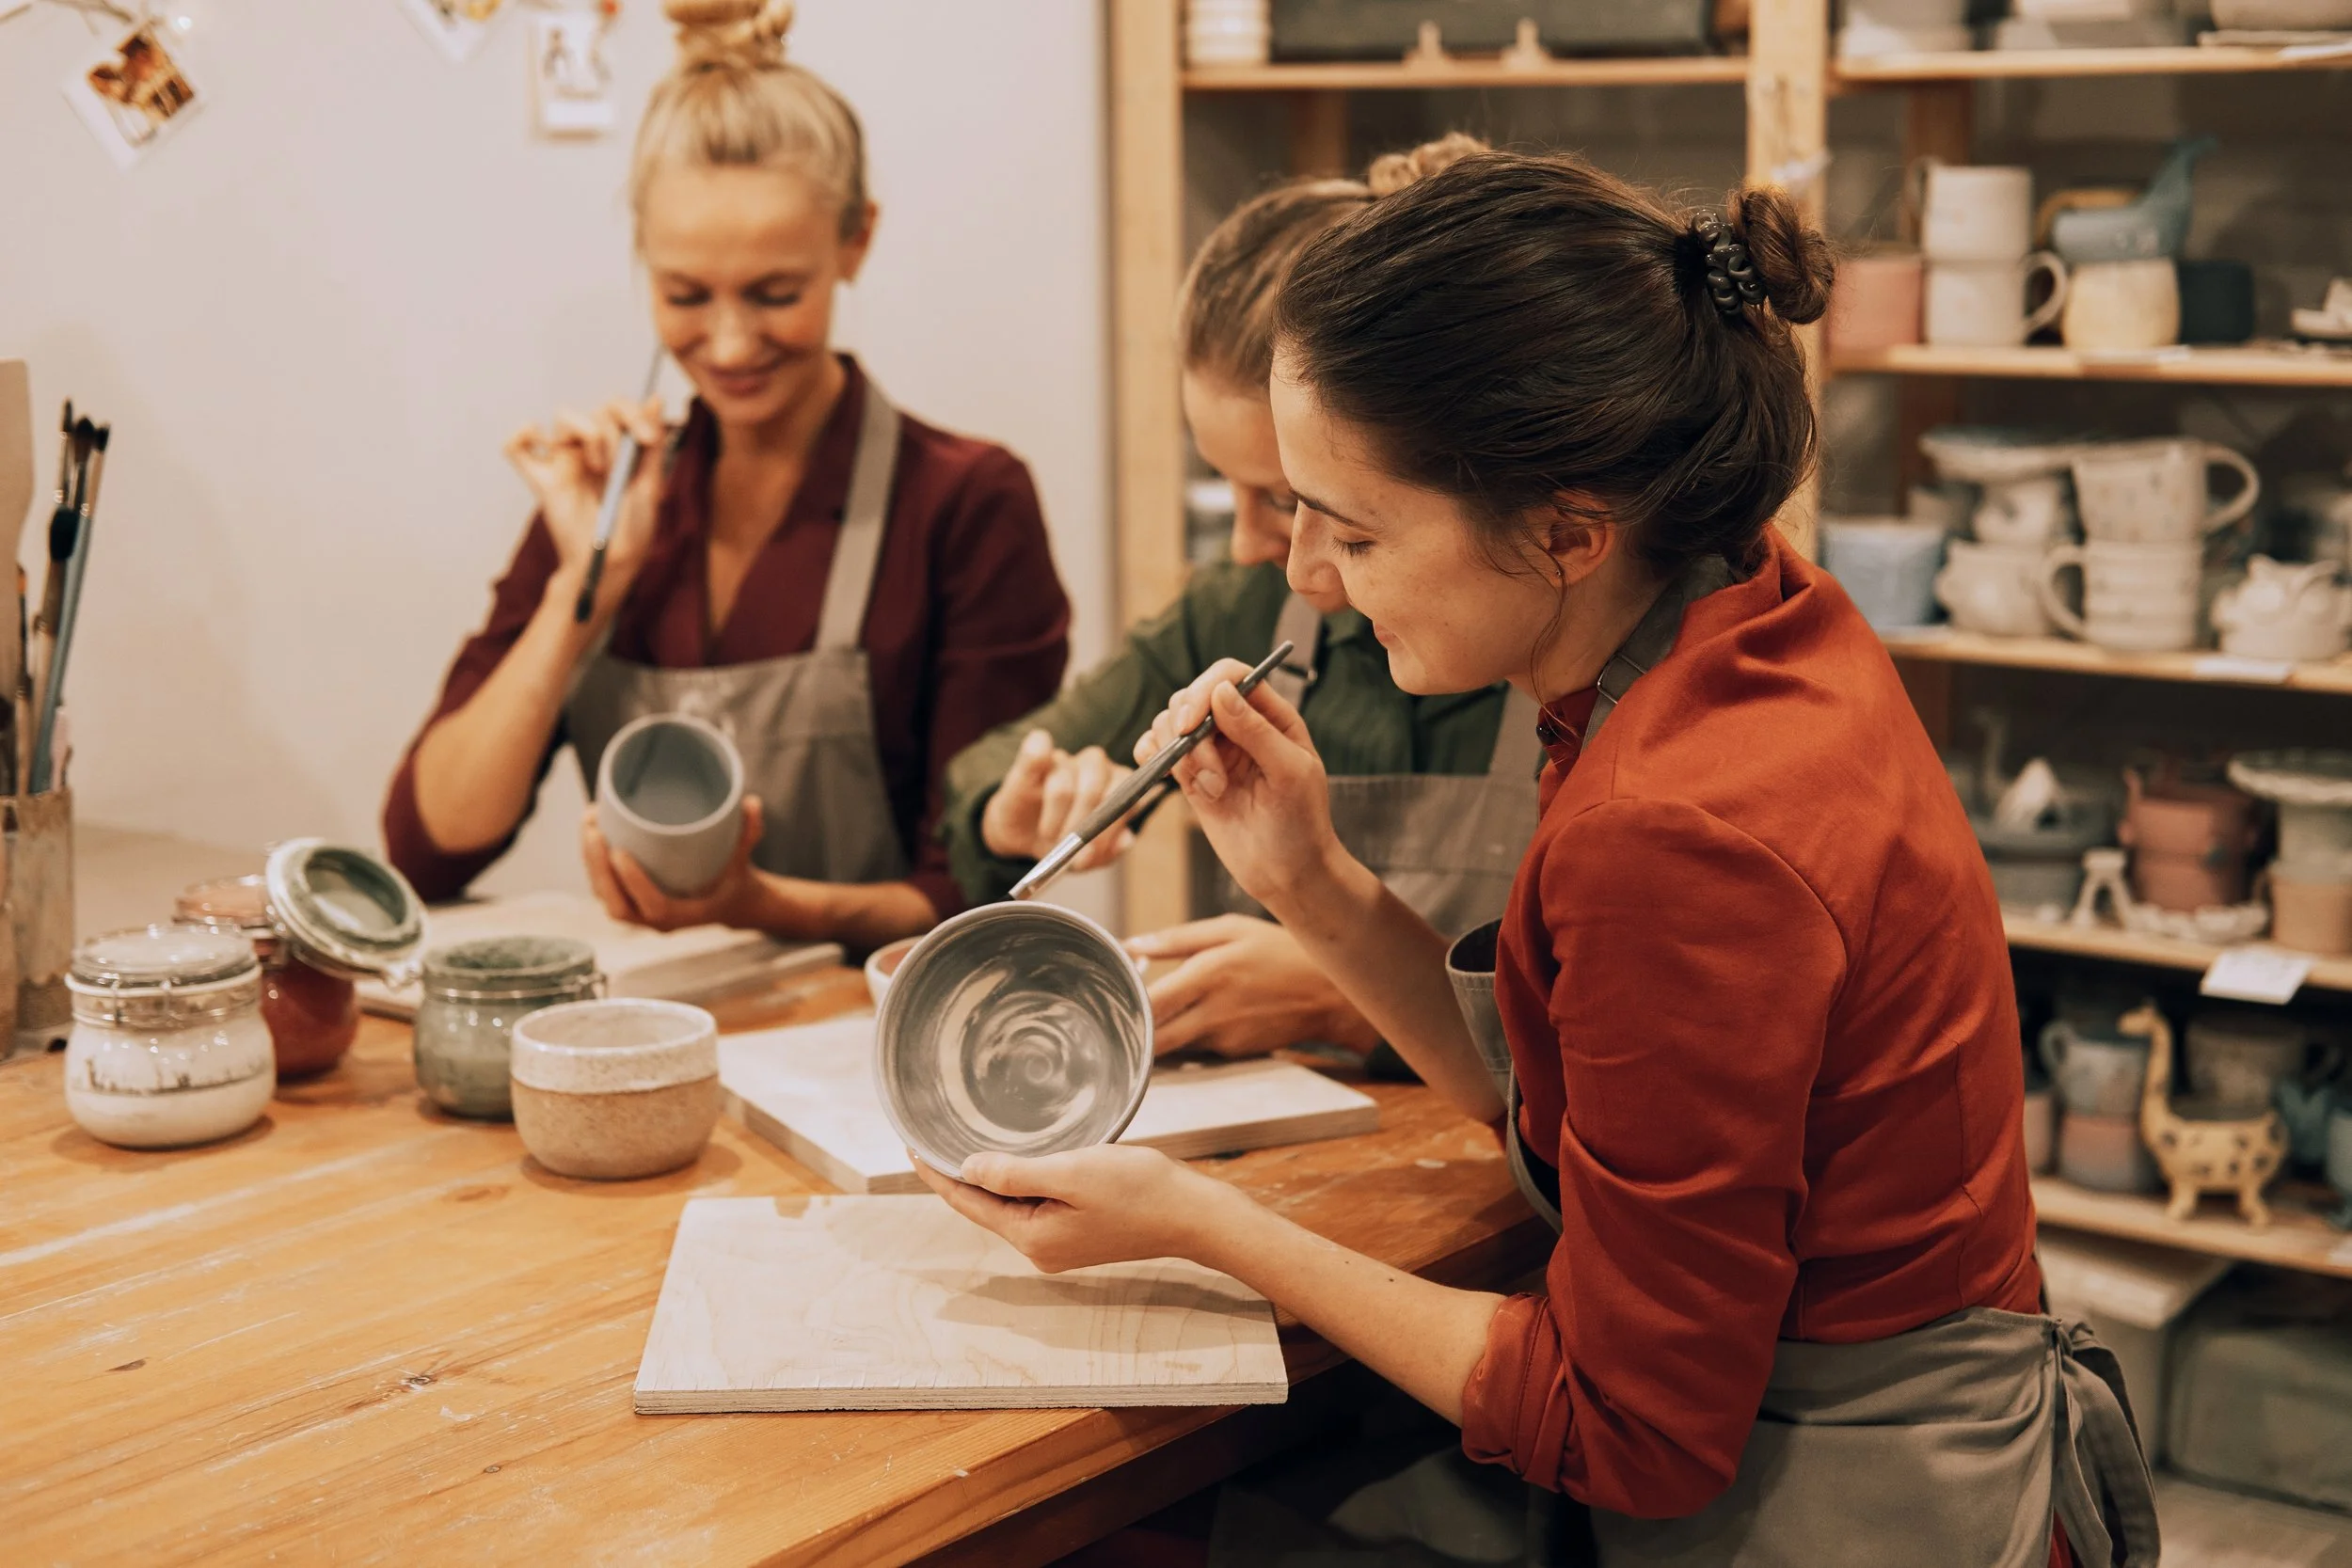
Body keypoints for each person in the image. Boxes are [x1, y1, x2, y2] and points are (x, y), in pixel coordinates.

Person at [920, 150, 2156, 1565]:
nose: (1308, 577)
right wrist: (1311, 879)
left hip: (1857, 1498)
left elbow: (1630, 1422)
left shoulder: (1676, 824)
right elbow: (1575, 1116)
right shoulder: (1744, 606)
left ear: (1568, 531)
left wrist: (1200, 1221)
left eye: (1354, 527)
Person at [383, 0, 1068, 953]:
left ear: (855, 241)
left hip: (875, 1047)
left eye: (775, 295)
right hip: (660, 1031)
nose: (733, 342)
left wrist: (751, 902)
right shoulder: (612, 498)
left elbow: (984, 894)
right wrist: (579, 599)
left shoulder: (963, 504)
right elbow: (429, 845)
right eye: (685, 295)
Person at [941, 133, 1537, 1062]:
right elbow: (984, 774)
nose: (1271, 552)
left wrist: (1345, 993)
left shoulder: (1549, 650)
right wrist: (1019, 808)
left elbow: (1607, 1052)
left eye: (1297, 501)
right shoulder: (1239, 613)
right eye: (1227, 489)